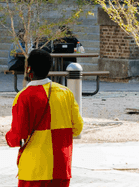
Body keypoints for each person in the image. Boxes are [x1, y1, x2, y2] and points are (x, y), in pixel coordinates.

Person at [6, 49, 83, 187]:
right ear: (50, 68)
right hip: (61, 166)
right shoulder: (66, 93)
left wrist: (9, 138)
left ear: (29, 69)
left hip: (34, 169)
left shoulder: (23, 97)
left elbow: (19, 135)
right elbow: (77, 128)